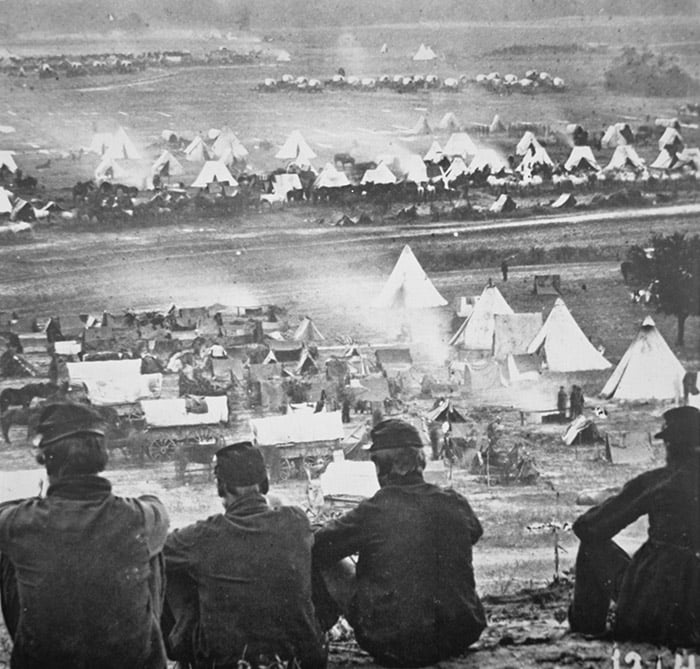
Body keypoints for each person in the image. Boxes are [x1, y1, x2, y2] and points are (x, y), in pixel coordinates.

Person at [0, 402, 170, 668]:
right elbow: (157, 506)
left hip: (46, 662)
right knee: (152, 551)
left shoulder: (19, 522)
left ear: (44, 459)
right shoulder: (139, 516)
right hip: (129, 662)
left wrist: (40, 500)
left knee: (10, 555)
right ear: (102, 457)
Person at [312, 418, 486, 667]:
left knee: (329, 562)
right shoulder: (453, 500)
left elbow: (317, 547)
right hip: (461, 633)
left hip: (395, 643)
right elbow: (474, 533)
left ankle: (316, 638)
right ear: (419, 462)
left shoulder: (374, 510)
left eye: (376, 465)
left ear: (385, 468)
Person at [162, 441, 327, 669]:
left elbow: (157, 548)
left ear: (222, 487)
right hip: (299, 661)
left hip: (230, 663)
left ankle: (182, 658)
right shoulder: (296, 520)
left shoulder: (202, 536)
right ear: (265, 483)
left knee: (174, 571)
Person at [569, 406, 700, 647]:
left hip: (656, 605)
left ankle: (586, 627)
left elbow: (589, 528)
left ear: (670, 446)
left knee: (591, 547)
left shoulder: (658, 482)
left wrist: (619, 497)